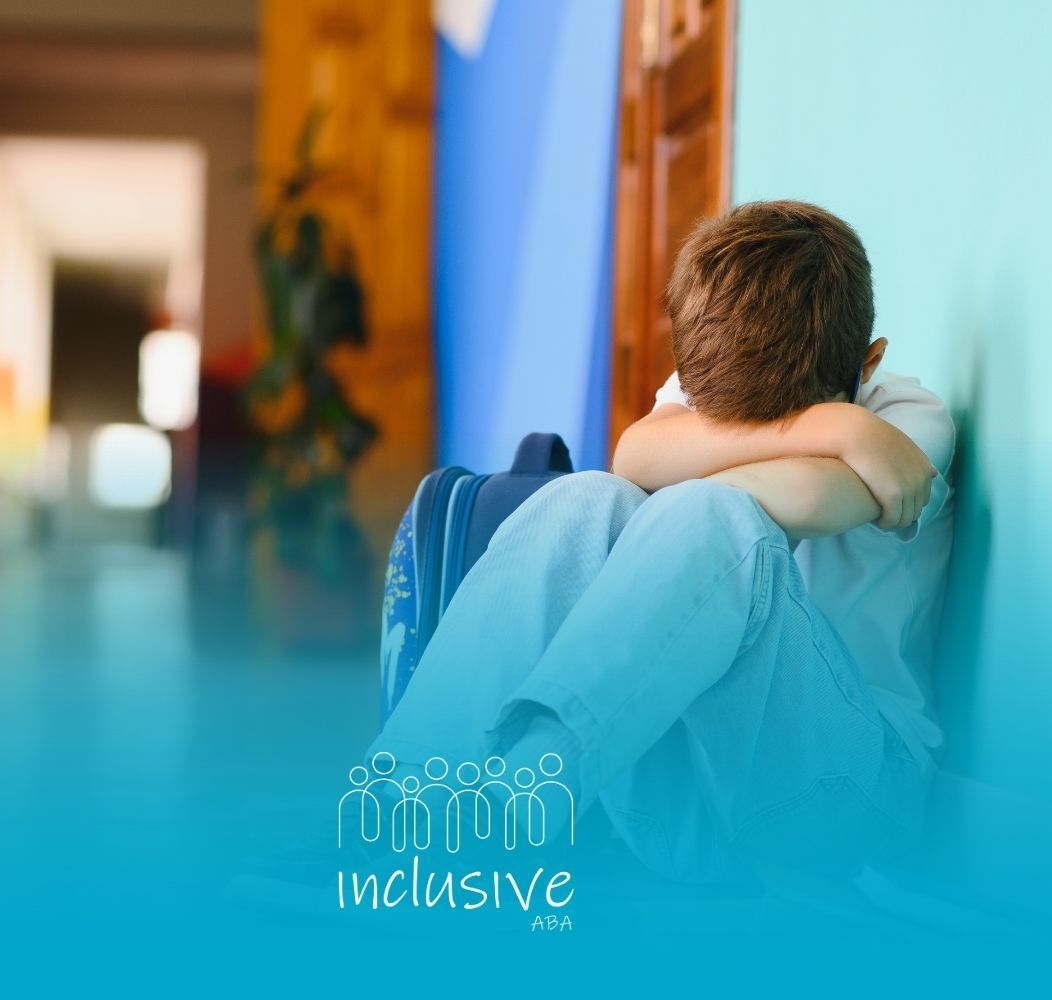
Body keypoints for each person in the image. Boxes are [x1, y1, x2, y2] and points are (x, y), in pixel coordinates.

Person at [266, 200, 955, 890]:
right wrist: (833, 427)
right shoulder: (787, 408)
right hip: (694, 803)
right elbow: (634, 457)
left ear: (871, 365)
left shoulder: (906, 422)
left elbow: (806, 500)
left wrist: (850, 428)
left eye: (822, 416)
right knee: (588, 498)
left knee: (715, 514)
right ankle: (397, 807)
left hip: (846, 803)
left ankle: (511, 810)